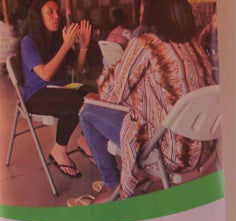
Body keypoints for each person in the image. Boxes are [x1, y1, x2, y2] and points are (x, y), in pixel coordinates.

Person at [78, 0, 215, 203]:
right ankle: (131, 173)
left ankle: (111, 185)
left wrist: (115, 64)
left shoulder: (145, 43)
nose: (141, 13)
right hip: (203, 148)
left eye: (144, 8)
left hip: (169, 153)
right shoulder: (194, 46)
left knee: (87, 112)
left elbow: (110, 93)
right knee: (129, 110)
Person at [19, 0, 94, 179]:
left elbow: (77, 67)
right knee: (77, 101)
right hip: (36, 96)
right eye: (50, 12)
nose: (56, 16)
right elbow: (44, 75)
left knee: (94, 93)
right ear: (38, 16)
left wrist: (83, 46)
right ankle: (59, 149)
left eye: (57, 12)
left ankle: (83, 139)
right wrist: (66, 45)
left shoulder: (56, 39)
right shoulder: (28, 42)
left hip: (59, 89)